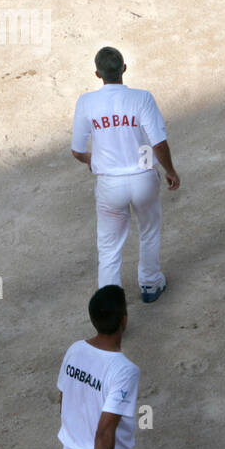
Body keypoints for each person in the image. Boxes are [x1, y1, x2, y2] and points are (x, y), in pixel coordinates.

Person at [70, 46, 179, 302]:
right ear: (124, 69)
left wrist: (91, 159)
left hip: (109, 185)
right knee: (149, 231)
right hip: (143, 179)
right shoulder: (142, 98)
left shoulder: (86, 102)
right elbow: (159, 142)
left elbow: (76, 150)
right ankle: (151, 285)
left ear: (97, 74)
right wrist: (170, 170)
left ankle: (112, 307)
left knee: (109, 249)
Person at [57, 285, 141, 449]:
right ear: (123, 321)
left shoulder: (75, 349)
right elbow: (104, 434)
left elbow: (64, 403)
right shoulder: (125, 371)